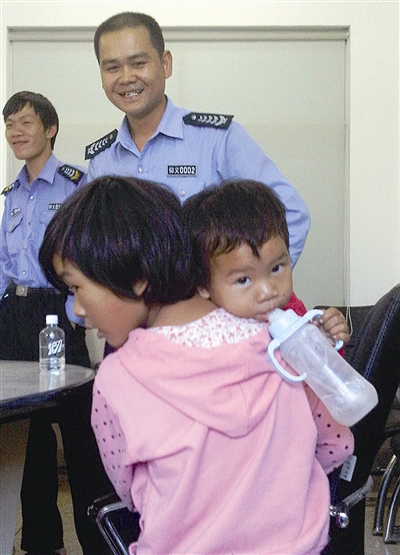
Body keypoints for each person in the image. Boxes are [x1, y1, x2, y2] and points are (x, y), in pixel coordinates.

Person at [39, 174, 353, 555]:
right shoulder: (281, 344)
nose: (77, 310)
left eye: (77, 287)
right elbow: (336, 444)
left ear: (136, 279)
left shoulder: (117, 379)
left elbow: (130, 493)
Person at [86, 11, 310, 268]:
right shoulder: (102, 160)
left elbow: (291, 214)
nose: (126, 77)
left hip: (201, 295)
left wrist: (253, 283)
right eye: (112, 67)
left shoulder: (217, 139)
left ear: (166, 64)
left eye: (138, 63)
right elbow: (90, 248)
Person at [0, 91, 112, 555]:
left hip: (60, 314)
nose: (16, 133)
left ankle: (99, 541)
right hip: (14, 318)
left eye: (25, 123)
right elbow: (3, 264)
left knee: (80, 432)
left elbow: (93, 251)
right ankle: (44, 542)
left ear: (50, 129)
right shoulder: (11, 195)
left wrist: (75, 310)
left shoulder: (76, 184)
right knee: (27, 438)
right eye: (10, 125)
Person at [181, 178, 351, 345]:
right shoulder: (204, 334)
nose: (267, 292)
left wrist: (323, 340)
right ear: (203, 285)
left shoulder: (292, 308)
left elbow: (315, 361)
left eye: (276, 268)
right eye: (243, 280)